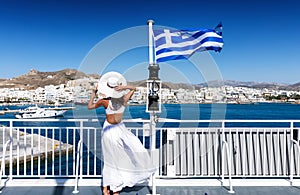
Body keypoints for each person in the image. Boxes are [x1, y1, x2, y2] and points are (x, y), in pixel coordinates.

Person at [87, 71, 155, 195]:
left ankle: (113, 186)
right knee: (110, 159)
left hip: (120, 129)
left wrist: (124, 87)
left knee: (132, 150)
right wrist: (94, 93)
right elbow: (90, 107)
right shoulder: (106, 101)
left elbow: (134, 88)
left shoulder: (122, 99)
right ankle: (109, 187)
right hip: (109, 131)